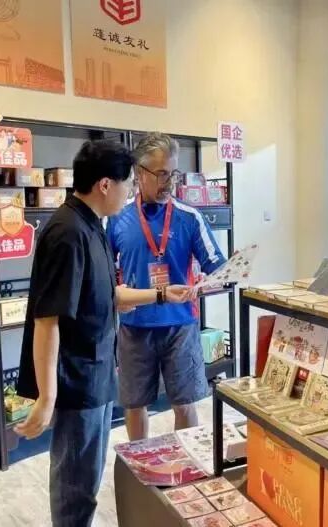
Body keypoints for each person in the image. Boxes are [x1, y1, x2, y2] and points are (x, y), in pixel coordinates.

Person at [15, 139, 193, 527]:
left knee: (87, 480)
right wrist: (47, 397)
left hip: (95, 374)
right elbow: (47, 320)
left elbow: (107, 293)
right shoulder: (67, 233)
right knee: (75, 486)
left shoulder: (92, 224)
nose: (131, 190)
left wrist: (161, 294)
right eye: (129, 182)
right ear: (105, 184)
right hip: (76, 380)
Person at [107, 132, 226, 441]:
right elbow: (104, 275)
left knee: (185, 404)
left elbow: (218, 268)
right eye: (161, 174)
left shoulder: (190, 217)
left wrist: (211, 280)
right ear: (139, 172)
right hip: (134, 327)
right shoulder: (117, 218)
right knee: (135, 406)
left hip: (181, 326)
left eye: (173, 174)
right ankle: (140, 462)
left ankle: (187, 461)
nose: (169, 182)